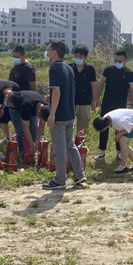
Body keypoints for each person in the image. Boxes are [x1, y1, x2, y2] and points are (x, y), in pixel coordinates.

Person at [42, 40, 87, 190]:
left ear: (54, 52)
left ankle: (60, 179)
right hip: (69, 113)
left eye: (48, 50)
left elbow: (57, 91)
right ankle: (80, 175)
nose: (46, 53)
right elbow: (65, 92)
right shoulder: (68, 68)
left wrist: (51, 114)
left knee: (59, 148)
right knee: (70, 145)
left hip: (59, 115)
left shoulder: (54, 69)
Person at [94, 50, 133, 161]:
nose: (117, 62)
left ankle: (119, 153)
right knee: (104, 127)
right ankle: (102, 151)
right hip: (107, 103)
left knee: (119, 129)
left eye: (120, 61)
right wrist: (97, 98)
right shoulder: (108, 70)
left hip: (121, 106)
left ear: (125, 61)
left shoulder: (129, 73)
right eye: (116, 60)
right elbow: (101, 84)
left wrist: (131, 104)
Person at [93, 109, 133, 173]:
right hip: (131, 121)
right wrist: (117, 133)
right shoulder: (106, 118)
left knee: (123, 141)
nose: (102, 131)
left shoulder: (120, 121)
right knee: (124, 144)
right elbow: (114, 125)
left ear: (105, 125)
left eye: (102, 130)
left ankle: (123, 166)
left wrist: (119, 134)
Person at [8, 45, 37, 156]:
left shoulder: (28, 68)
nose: (14, 58)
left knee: (32, 129)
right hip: (14, 104)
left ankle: (32, 151)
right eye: (13, 56)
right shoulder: (15, 67)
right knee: (19, 130)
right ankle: (22, 152)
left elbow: (33, 87)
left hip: (27, 103)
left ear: (23, 56)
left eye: (17, 56)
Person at [6, 90, 49, 158]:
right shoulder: (26, 107)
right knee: (20, 130)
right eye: (39, 117)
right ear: (38, 112)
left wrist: (36, 143)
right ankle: (23, 152)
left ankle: (31, 152)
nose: (39, 118)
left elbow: (41, 126)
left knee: (34, 128)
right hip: (15, 108)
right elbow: (25, 128)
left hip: (31, 105)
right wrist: (32, 145)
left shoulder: (45, 108)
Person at [70, 45, 97, 134]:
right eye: (76, 56)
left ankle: (80, 145)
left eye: (80, 56)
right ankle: (69, 145)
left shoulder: (90, 69)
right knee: (69, 125)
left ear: (85, 57)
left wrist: (94, 101)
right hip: (71, 101)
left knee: (83, 127)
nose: (78, 58)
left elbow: (93, 86)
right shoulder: (69, 68)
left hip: (85, 101)